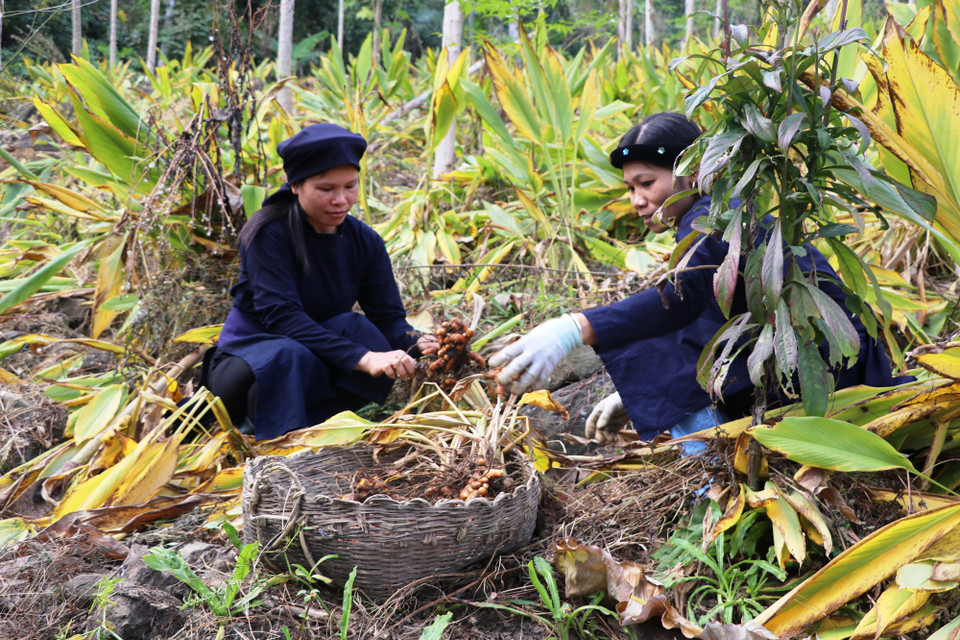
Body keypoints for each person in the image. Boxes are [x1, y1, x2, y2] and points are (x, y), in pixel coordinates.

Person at [489, 112, 908, 448]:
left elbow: (681, 300)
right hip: (805, 360)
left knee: (659, 341)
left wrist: (573, 328)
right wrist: (636, 395)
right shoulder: (709, 215)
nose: (636, 200)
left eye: (646, 183)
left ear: (690, 170)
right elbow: (708, 317)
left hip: (833, 369)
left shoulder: (718, 218)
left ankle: (710, 485)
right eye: (630, 188)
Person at [203, 123, 437, 440]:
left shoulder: (365, 242)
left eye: (350, 186)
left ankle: (319, 423)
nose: (341, 199)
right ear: (296, 186)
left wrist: (416, 341)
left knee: (358, 328)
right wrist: (365, 359)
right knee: (290, 354)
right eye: (327, 189)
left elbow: (387, 318)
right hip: (246, 362)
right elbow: (284, 318)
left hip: (312, 354)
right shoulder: (269, 233)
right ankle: (266, 432)